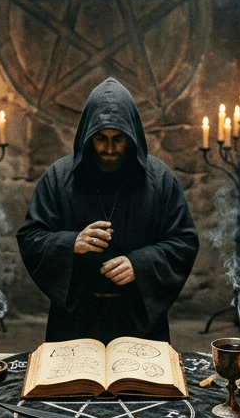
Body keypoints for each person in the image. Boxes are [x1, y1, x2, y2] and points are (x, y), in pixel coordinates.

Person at [17, 77, 199, 343]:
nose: (110, 149)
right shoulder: (58, 177)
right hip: (75, 320)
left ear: (131, 137)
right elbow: (30, 237)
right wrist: (71, 243)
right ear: (88, 137)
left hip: (138, 321)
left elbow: (184, 241)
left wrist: (141, 264)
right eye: (101, 139)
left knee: (138, 385)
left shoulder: (159, 180)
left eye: (119, 139)